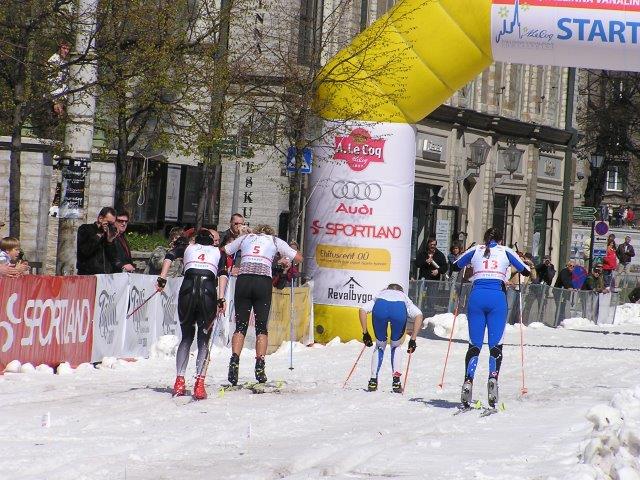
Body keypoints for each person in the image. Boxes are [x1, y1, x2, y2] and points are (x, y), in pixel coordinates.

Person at [453, 227, 530, 408]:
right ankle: (493, 378)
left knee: (474, 344)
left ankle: (468, 380)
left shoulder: (476, 249)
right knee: (495, 344)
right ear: (500, 240)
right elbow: (526, 271)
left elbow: (455, 265)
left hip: (477, 297)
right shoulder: (506, 251)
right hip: (497, 298)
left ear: (485, 238)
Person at [223, 224, 302, 386]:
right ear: (270, 233)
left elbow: (225, 250)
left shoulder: (246, 238)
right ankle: (260, 366)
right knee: (261, 327)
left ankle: (234, 362)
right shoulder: (274, 240)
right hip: (262, 282)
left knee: (241, 326)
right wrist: (286, 261)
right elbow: (299, 258)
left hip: (244, 280)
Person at [156, 228, 227, 400]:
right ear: (211, 241)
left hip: (187, 291)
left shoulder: (188, 247)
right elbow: (223, 274)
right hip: (208, 292)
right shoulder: (219, 252)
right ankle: (199, 384)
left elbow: (169, 256)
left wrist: (162, 278)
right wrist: (221, 298)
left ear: (196, 240)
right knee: (203, 339)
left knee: (186, 337)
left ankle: (179, 381)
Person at [359, 283, 423, 393]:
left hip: (380, 307)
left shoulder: (381, 293)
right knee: (396, 346)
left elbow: (362, 310)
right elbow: (419, 315)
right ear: (401, 291)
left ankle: (373, 380)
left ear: (387, 289)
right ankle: (396, 381)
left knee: (380, 345)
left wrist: (365, 333)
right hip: (399, 309)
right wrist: (413, 339)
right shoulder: (403, 296)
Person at [76, 207, 118, 275]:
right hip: (88, 275)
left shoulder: (109, 234)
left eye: (112, 224)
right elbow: (85, 251)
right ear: (100, 218)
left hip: (105, 276)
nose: (110, 226)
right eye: (109, 223)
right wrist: (100, 233)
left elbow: (113, 258)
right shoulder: (85, 229)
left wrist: (110, 241)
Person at [47, 41, 70, 116]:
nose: (66, 51)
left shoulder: (65, 61)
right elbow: (51, 82)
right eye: (64, 48)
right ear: (59, 48)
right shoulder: (54, 60)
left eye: (67, 49)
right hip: (57, 93)